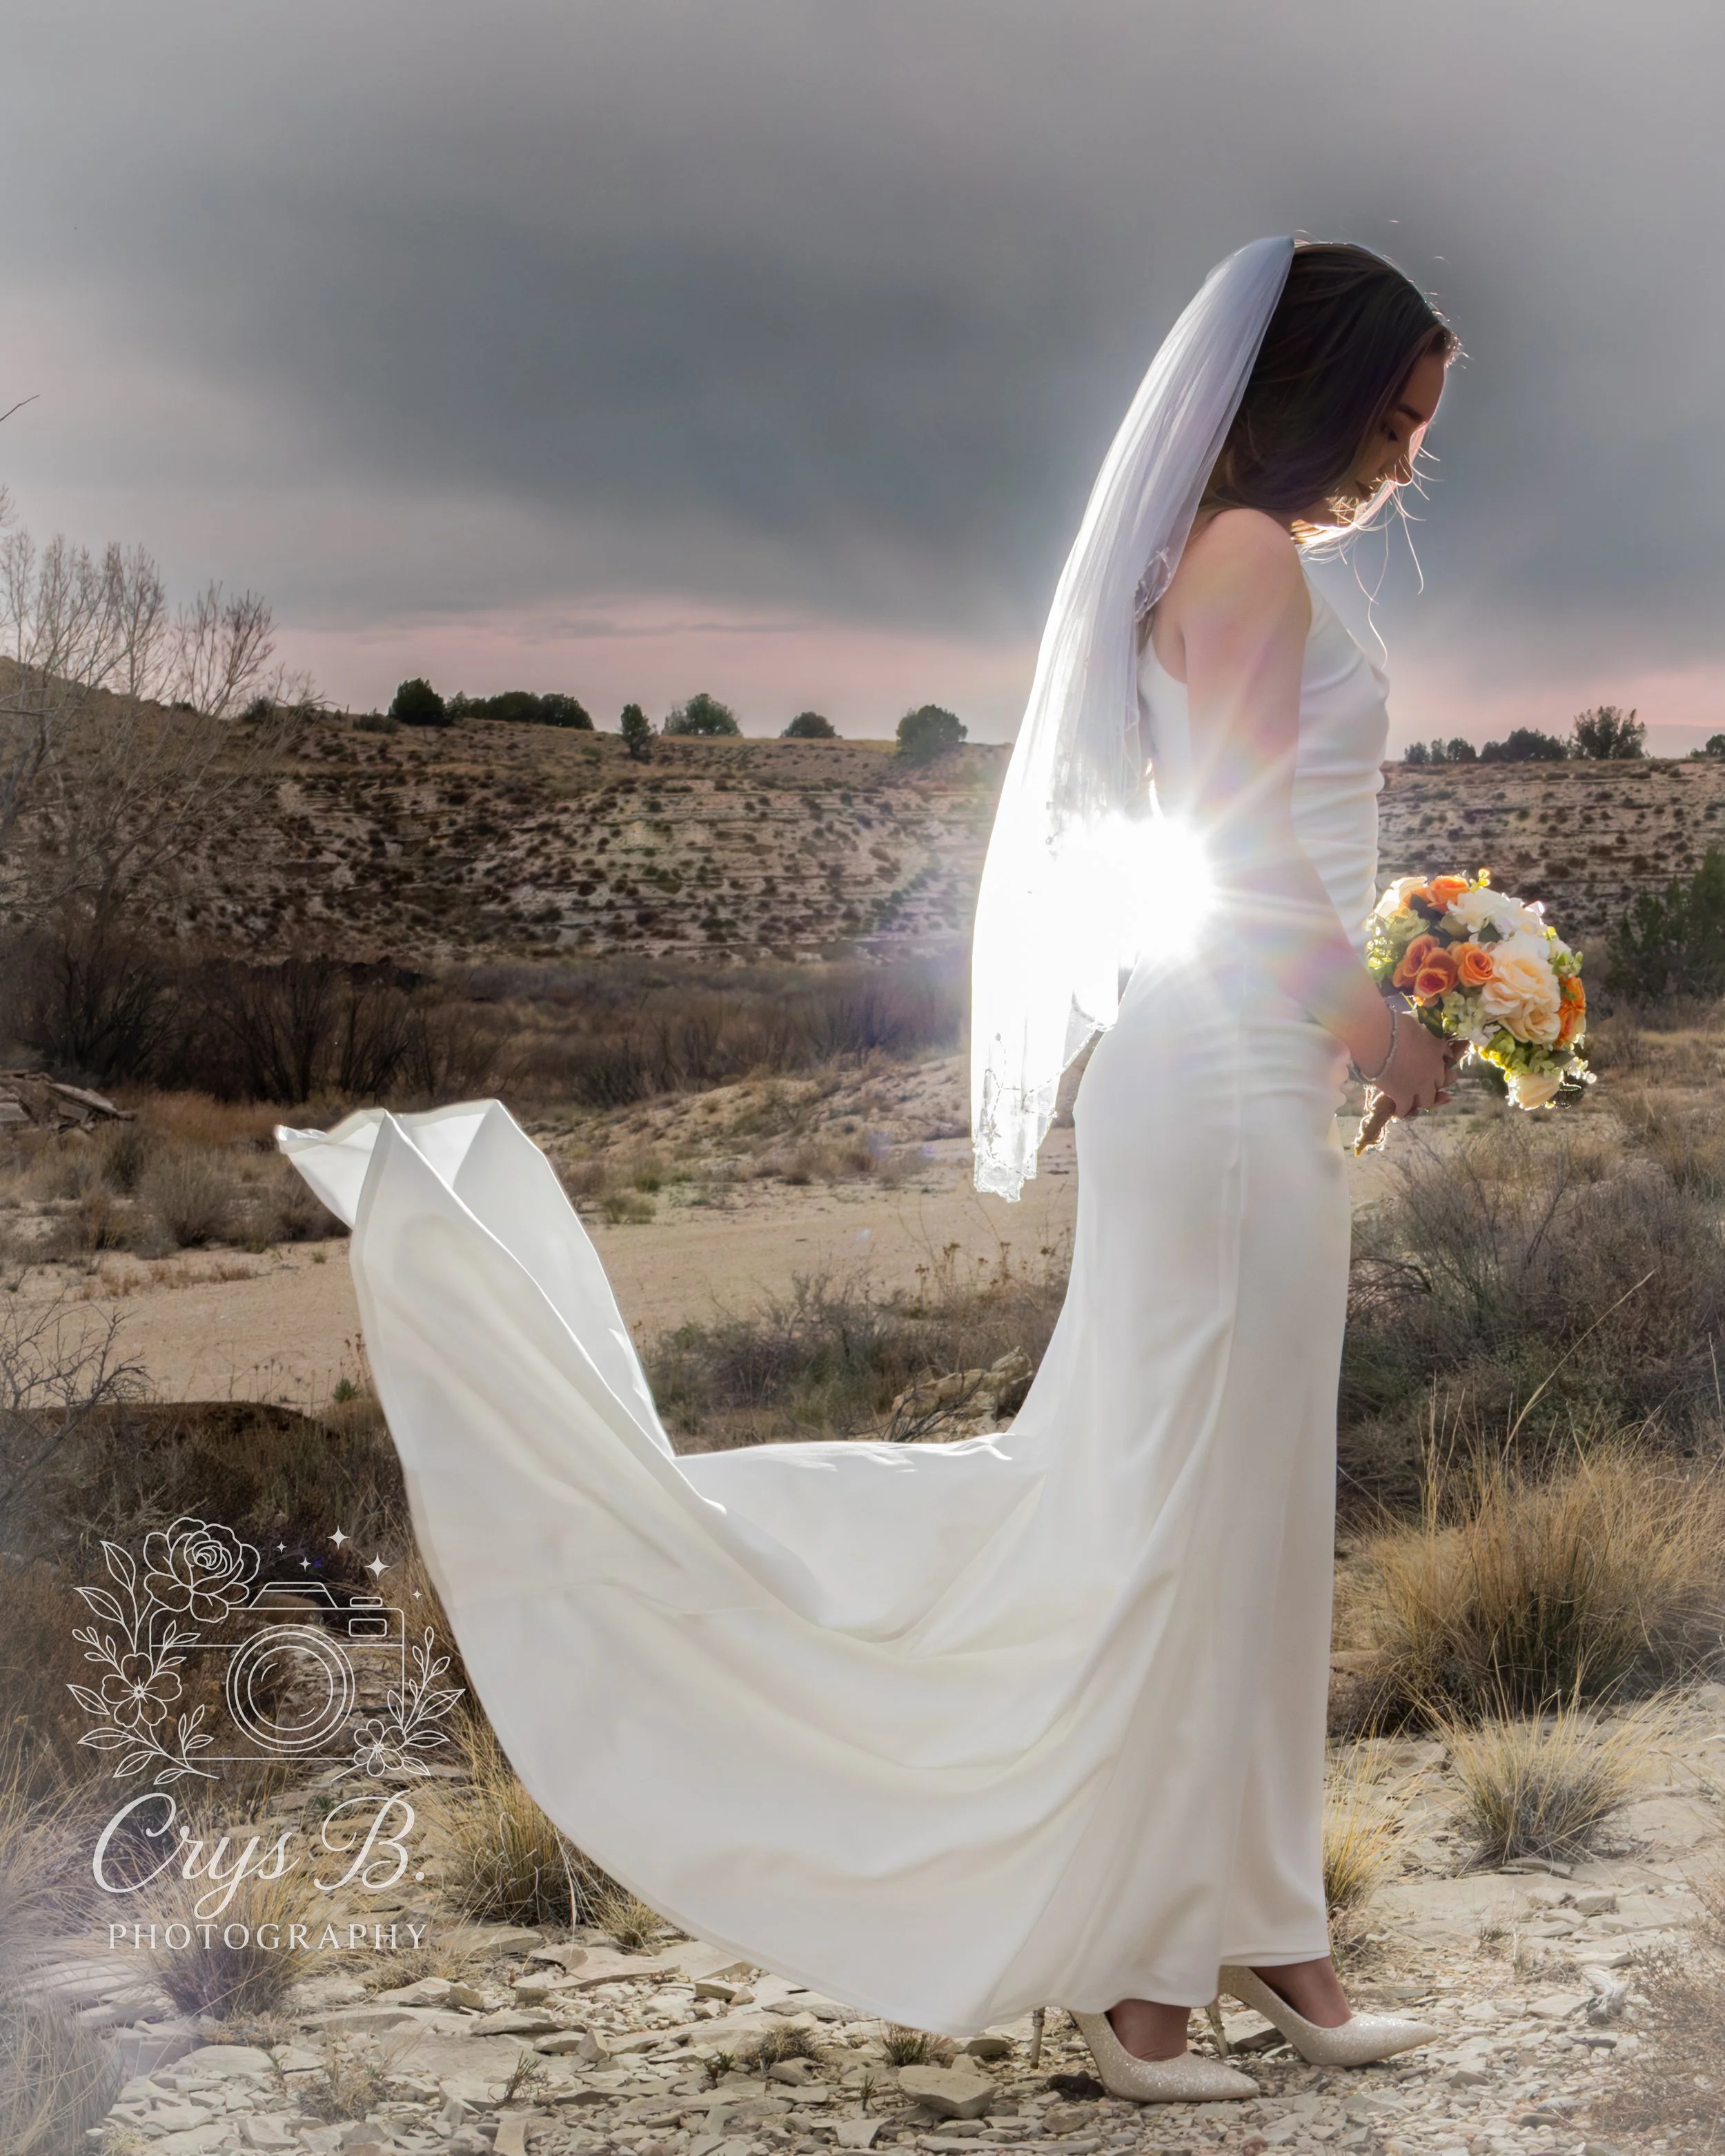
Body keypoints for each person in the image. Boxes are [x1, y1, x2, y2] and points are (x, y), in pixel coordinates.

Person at [280, 236, 1454, 2110]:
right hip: (1230, 1079)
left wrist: (1392, 997)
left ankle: (1264, 1925)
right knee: (1178, 1508)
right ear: (1310, 388)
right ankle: (1150, 1978)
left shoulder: (1244, 559)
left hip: (1242, 1081)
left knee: (1237, 1503)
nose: (1406, 454)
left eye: (1421, 425)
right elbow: (1241, 857)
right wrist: (1383, 1027)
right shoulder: (1238, 559)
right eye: (1391, 414)